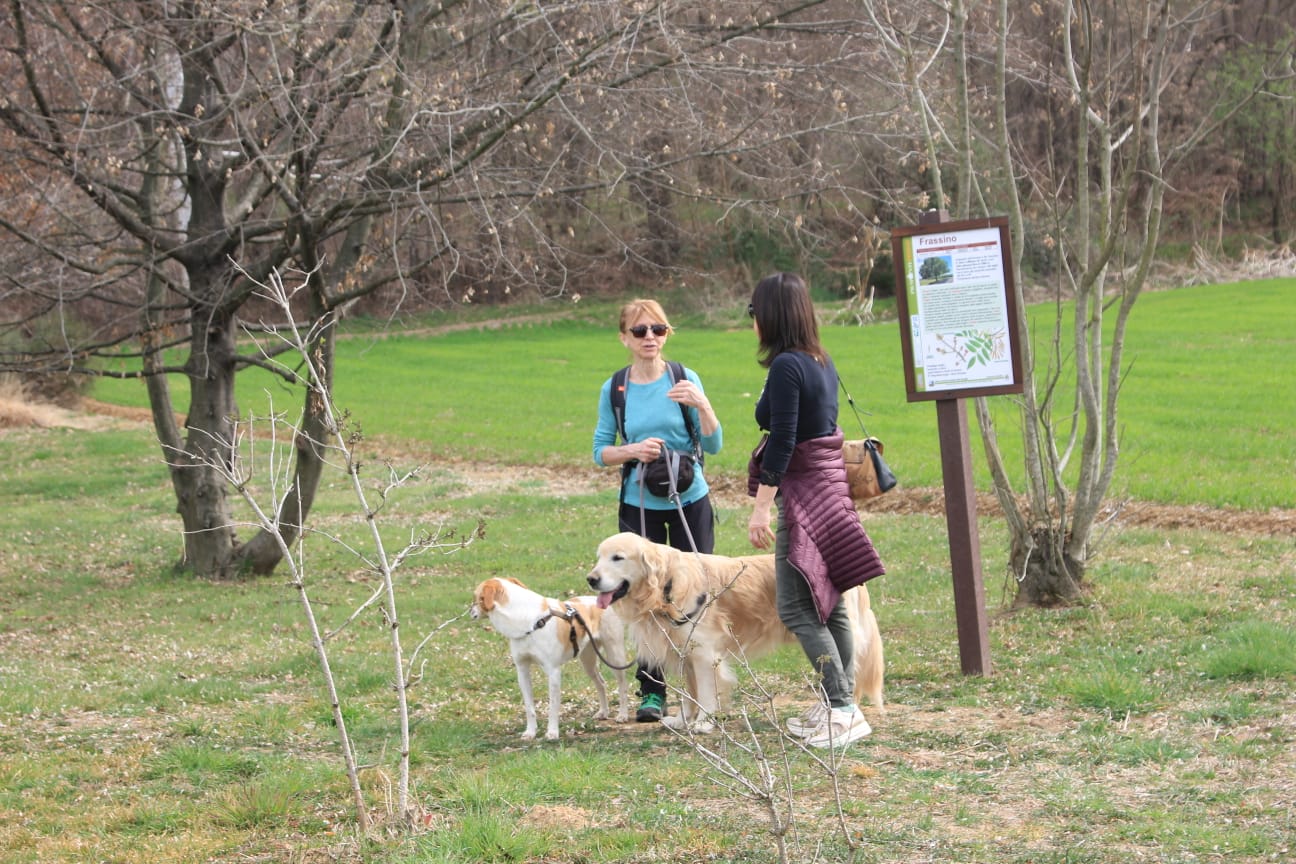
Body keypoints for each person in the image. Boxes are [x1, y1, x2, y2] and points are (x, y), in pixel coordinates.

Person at [745, 272, 885, 749]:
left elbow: (783, 441)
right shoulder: (820, 360)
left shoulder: (786, 366)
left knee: (796, 606)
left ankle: (842, 707)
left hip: (805, 495)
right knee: (831, 601)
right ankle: (840, 705)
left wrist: (762, 508)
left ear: (771, 316)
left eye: (754, 312)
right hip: (831, 492)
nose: (752, 322)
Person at [593, 298, 723, 723]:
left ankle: (699, 691)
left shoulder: (685, 378)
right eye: (639, 331)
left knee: (692, 597)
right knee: (640, 598)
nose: (650, 337)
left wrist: (702, 405)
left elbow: (716, 444)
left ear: (667, 334)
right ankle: (652, 693)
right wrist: (632, 450)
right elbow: (600, 451)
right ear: (624, 338)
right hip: (639, 505)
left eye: (659, 329)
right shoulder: (616, 388)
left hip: (690, 499)